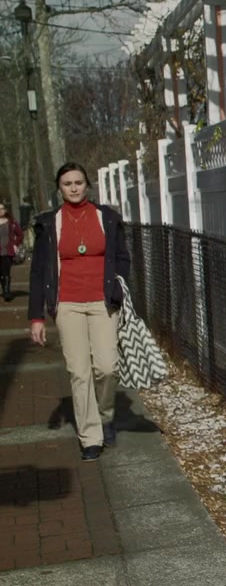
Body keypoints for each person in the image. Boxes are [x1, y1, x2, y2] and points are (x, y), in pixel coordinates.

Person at [28, 163, 131, 461]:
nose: (73, 188)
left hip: (103, 303)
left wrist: (118, 288)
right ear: (59, 188)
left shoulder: (107, 218)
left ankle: (105, 415)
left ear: (87, 185)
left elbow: (122, 258)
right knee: (79, 372)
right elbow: (38, 272)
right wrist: (36, 317)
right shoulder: (49, 224)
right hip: (67, 305)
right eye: (67, 183)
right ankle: (90, 437)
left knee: (107, 367)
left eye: (78, 182)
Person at [0, 202, 23, 301]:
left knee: (5, 271)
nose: (0, 211)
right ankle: (4, 289)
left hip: (7, 251)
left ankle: (6, 292)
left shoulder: (12, 222)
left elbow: (20, 234)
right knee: (1, 272)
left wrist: (15, 244)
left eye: (2, 209)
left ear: (5, 210)